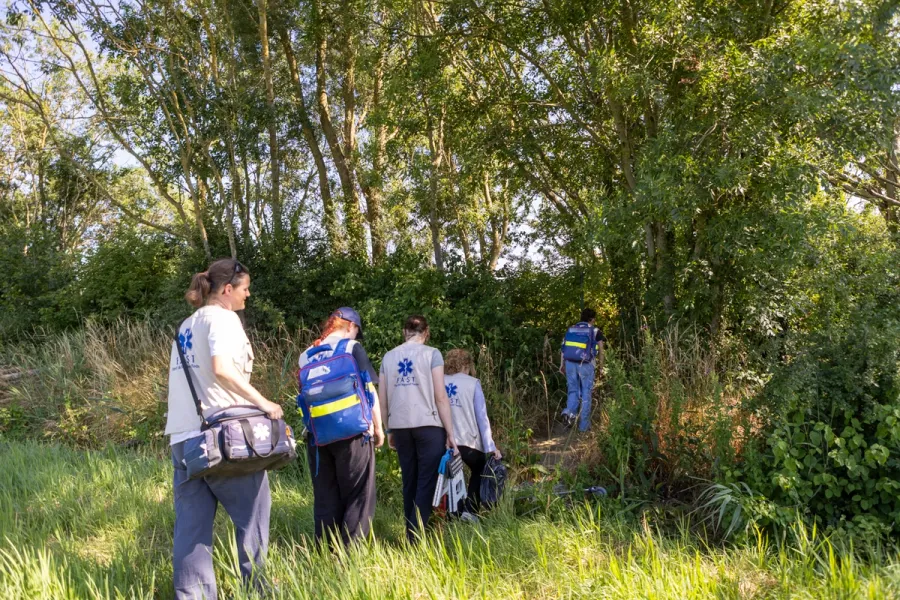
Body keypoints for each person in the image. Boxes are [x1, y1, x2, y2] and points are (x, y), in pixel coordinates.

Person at [166, 258, 284, 600]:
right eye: (245, 289)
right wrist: (264, 402)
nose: (248, 296)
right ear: (228, 290)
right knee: (253, 519)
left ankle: (193, 595)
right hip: (222, 439)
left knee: (191, 531)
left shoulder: (186, 325)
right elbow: (221, 369)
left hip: (183, 440)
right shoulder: (223, 318)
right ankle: (259, 591)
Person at [298, 307, 384, 545]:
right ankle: (349, 554)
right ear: (350, 326)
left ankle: (324, 551)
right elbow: (369, 388)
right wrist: (378, 428)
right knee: (358, 494)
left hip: (317, 437)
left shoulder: (306, 355)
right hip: (353, 432)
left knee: (326, 496)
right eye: (357, 331)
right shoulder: (351, 348)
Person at [379, 315, 458, 542]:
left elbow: (382, 398)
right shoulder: (432, 354)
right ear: (427, 332)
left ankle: (410, 531)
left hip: (400, 426)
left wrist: (388, 429)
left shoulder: (388, 357)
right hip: (429, 426)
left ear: (404, 332)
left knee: (409, 480)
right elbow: (440, 396)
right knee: (426, 480)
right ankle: (416, 537)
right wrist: (450, 432)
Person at [443, 349, 501, 512]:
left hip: (444, 442)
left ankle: (450, 513)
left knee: (446, 476)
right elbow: (482, 417)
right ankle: (471, 510)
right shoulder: (472, 383)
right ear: (467, 364)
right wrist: (490, 447)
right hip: (468, 442)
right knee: (479, 469)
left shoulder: (439, 380)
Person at [559, 307, 606, 432]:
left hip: (569, 363)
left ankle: (569, 413)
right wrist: (601, 368)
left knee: (572, 391)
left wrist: (561, 365)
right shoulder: (595, 331)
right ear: (591, 319)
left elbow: (564, 348)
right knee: (586, 393)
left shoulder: (571, 329)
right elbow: (601, 350)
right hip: (586, 364)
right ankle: (584, 427)